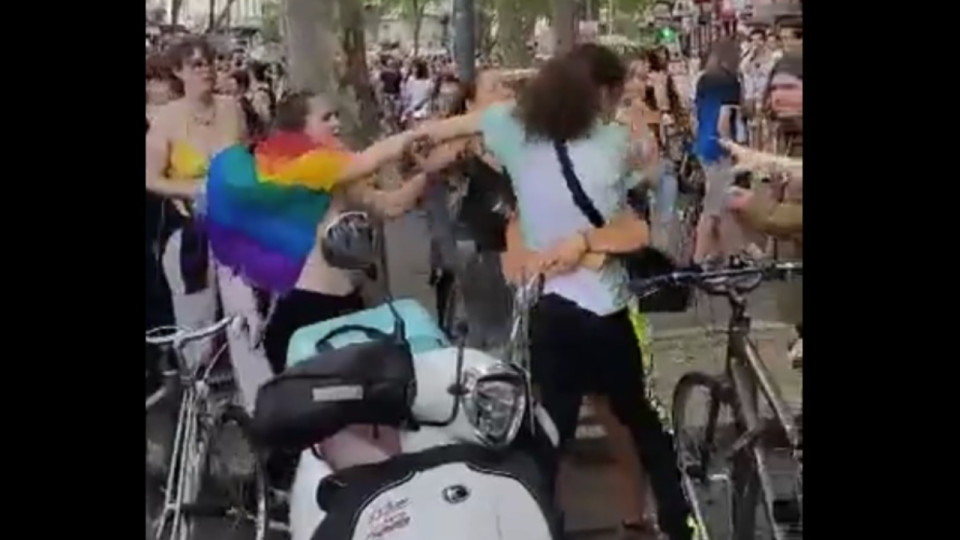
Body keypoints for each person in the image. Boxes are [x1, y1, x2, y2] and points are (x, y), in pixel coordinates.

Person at [411, 43, 694, 540]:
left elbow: (433, 134)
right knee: (642, 425)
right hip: (606, 312)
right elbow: (643, 186)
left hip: (552, 311)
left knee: (549, 433)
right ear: (601, 93)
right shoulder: (610, 142)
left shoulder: (514, 133)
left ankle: (538, 526)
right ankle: (678, 524)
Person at [146, 37, 246, 369]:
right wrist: (193, 190)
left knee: (246, 319)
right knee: (196, 329)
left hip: (236, 230)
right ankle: (197, 406)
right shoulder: (167, 120)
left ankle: (257, 405)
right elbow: (150, 178)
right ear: (179, 72)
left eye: (210, 62)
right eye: (197, 65)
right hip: (190, 235)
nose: (207, 71)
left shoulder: (232, 109)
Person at [692, 39, 744, 263]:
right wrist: (731, 146)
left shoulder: (703, 79)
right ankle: (698, 259)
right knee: (713, 207)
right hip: (718, 148)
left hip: (703, 144)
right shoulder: (731, 83)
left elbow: (696, 116)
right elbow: (724, 120)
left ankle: (727, 253)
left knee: (721, 203)